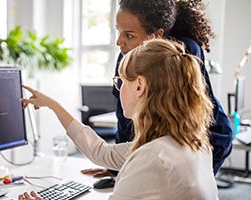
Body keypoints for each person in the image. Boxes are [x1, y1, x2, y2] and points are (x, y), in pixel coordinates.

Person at [18, 38, 218, 200]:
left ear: (139, 86)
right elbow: (102, 152)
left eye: (121, 81)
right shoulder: (192, 143)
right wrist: (54, 105)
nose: (118, 89)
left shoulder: (153, 158)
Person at [82, 0, 232, 179]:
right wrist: (117, 169)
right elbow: (125, 120)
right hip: (163, 146)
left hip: (209, 139)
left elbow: (182, 121)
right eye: (119, 31)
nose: (119, 42)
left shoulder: (182, 53)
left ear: (157, 35)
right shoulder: (125, 59)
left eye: (129, 35)